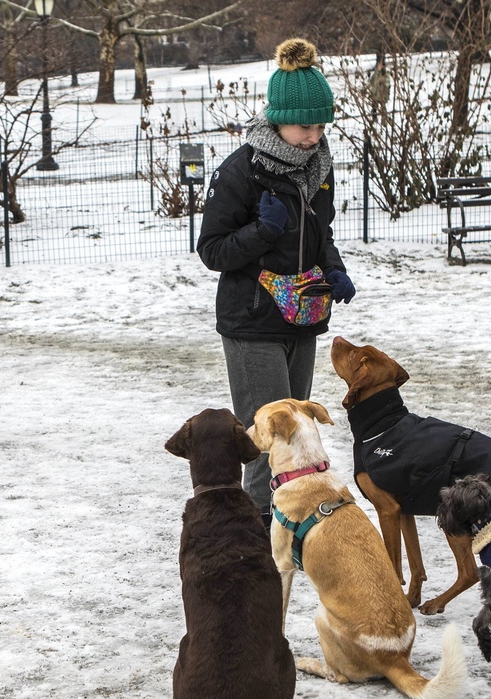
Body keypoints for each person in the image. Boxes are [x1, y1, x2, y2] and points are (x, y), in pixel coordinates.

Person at [195, 37, 355, 528]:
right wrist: (261, 232)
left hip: (301, 314)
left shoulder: (316, 168)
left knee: (298, 426)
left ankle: (288, 522)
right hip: (252, 322)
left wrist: (333, 266)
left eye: (321, 125)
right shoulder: (242, 171)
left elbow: (318, 231)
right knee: (270, 431)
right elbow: (213, 250)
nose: (315, 136)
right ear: (278, 119)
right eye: (306, 126)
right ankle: (259, 525)